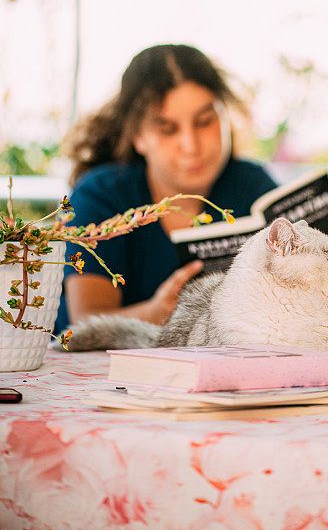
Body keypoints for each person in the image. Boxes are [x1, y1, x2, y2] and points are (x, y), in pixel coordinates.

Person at [54, 44, 277, 335]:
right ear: (138, 136)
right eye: (168, 129)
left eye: (204, 122)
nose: (191, 146)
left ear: (225, 118)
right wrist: (157, 314)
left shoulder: (253, 185)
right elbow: (86, 320)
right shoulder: (100, 196)